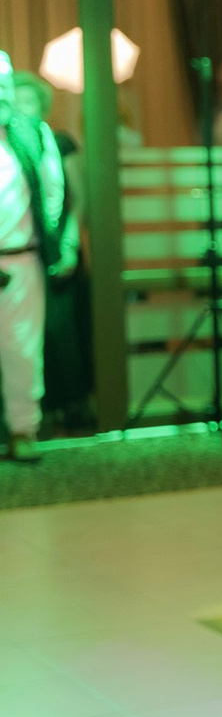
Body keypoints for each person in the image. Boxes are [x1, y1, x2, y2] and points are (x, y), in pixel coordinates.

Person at [10, 69, 89, 433]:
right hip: (25, 251)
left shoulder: (54, 141)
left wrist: (67, 243)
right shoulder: (15, 144)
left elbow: (76, 197)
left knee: (56, 334)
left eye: (28, 100)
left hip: (52, 248)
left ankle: (66, 410)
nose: (21, 107)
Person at [0, 57, 69, 462]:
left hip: (21, 261)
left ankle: (23, 429)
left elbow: (53, 189)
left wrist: (47, 236)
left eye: (5, 86)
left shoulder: (31, 134)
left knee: (23, 350)